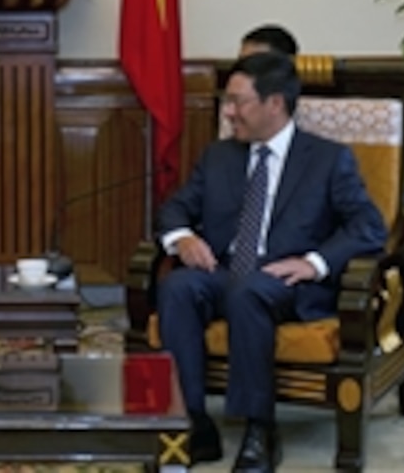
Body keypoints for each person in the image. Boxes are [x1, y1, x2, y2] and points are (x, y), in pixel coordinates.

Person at [154, 52, 387, 472]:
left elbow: (369, 227)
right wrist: (183, 237)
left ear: (274, 103)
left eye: (237, 102)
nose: (227, 112)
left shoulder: (328, 159)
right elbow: (175, 209)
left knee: (250, 291)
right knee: (178, 286)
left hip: (286, 285)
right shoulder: (219, 156)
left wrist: (314, 262)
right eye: (227, 101)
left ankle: (260, 428)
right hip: (224, 273)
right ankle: (191, 423)